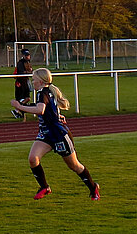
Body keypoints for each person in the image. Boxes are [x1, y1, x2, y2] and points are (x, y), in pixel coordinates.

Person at [12, 67, 99, 201]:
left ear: (41, 81)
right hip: (46, 135)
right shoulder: (44, 92)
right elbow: (49, 110)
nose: (32, 82)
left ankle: (93, 188)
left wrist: (19, 107)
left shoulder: (43, 93)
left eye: (34, 79)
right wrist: (58, 115)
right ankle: (44, 187)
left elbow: (41, 110)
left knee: (74, 166)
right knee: (33, 158)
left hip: (58, 135)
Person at [12, 49, 32, 119]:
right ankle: (17, 110)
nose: (27, 56)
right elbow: (21, 73)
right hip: (20, 83)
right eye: (26, 55)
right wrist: (28, 72)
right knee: (22, 98)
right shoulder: (20, 63)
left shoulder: (28, 62)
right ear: (23, 55)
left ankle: (17, 111)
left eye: (28, 55)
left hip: (25, 82)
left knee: (27, 98)